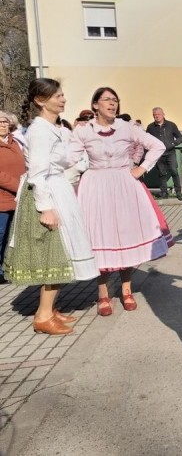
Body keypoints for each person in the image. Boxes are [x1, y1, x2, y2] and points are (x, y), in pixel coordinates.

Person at [5, 79, 99, 335]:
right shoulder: (39, 130)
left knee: (63, 252)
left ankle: (50, 310)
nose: (63, 99)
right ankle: (43, 316)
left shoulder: (53, 128)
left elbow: (66, 160)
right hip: (46, 193)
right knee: (55, 254)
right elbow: (37, 173)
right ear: (40, 100)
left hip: (59, 189)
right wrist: (45, 207)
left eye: (62, 95)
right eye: (57, 96)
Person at [70, 87, 169, 318]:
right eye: (106, 100)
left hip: (124, 184)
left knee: (126, 235)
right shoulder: (84, 131)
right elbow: (69, 158)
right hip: (95, 187)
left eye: (115, 100)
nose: (112, 104)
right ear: (95, 105)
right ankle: (102, 293)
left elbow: (158, 145)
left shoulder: (126, 127)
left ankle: (126, 289)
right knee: (99, 238)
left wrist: (142, 168)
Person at [0, 111, 26, 284]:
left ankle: (5, 269)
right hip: (2, 198)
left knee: (10, 236)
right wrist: (19, 186)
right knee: (0, 234)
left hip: (16, 199)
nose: (2, 125)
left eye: (5, 122)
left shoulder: (15, 143)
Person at [146, 107, 182, 200]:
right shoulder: (150, 127)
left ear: (163, 114)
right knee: (162, 174)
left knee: (174, 171)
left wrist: (173, 144)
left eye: (158, 114)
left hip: (170, 152)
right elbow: (146, 140)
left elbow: (180, 137)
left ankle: (178, 192)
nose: (156, 116)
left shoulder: (171, 125)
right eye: (154, 115)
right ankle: (164, 193)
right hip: (158, 154)